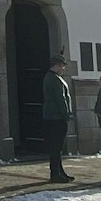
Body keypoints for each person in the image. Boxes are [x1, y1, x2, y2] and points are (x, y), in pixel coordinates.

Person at [41, 53, 74, 183]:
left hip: (53, 116)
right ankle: (55, 173)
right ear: (57, 66)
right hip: (56, 117)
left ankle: (59, 171)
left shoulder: (51, 78)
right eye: (62, 66)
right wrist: (66, 114)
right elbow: (61, 99)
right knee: (56, 147)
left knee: (57, 147)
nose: (63, 69)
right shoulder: (54, 79)